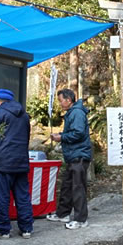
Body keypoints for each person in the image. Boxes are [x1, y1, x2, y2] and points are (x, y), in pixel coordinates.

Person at [0, 89, 33, 239]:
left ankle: (2, 229)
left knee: (1, 197)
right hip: (21, 162)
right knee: (23, 197)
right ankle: (26, 229)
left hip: (2, 163)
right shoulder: (24, 116)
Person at [47, 89, 92, 229]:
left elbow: (78, 133)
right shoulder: (73, 112)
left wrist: (62, 137)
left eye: (61, 100)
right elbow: (73, 132)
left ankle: (80, 219)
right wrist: (61, 135)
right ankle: (63, 214)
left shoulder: (77, 113)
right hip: (73, 155)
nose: (60, 104)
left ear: (68, 100)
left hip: (79, 155)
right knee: (67, 186)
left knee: (78, 187)